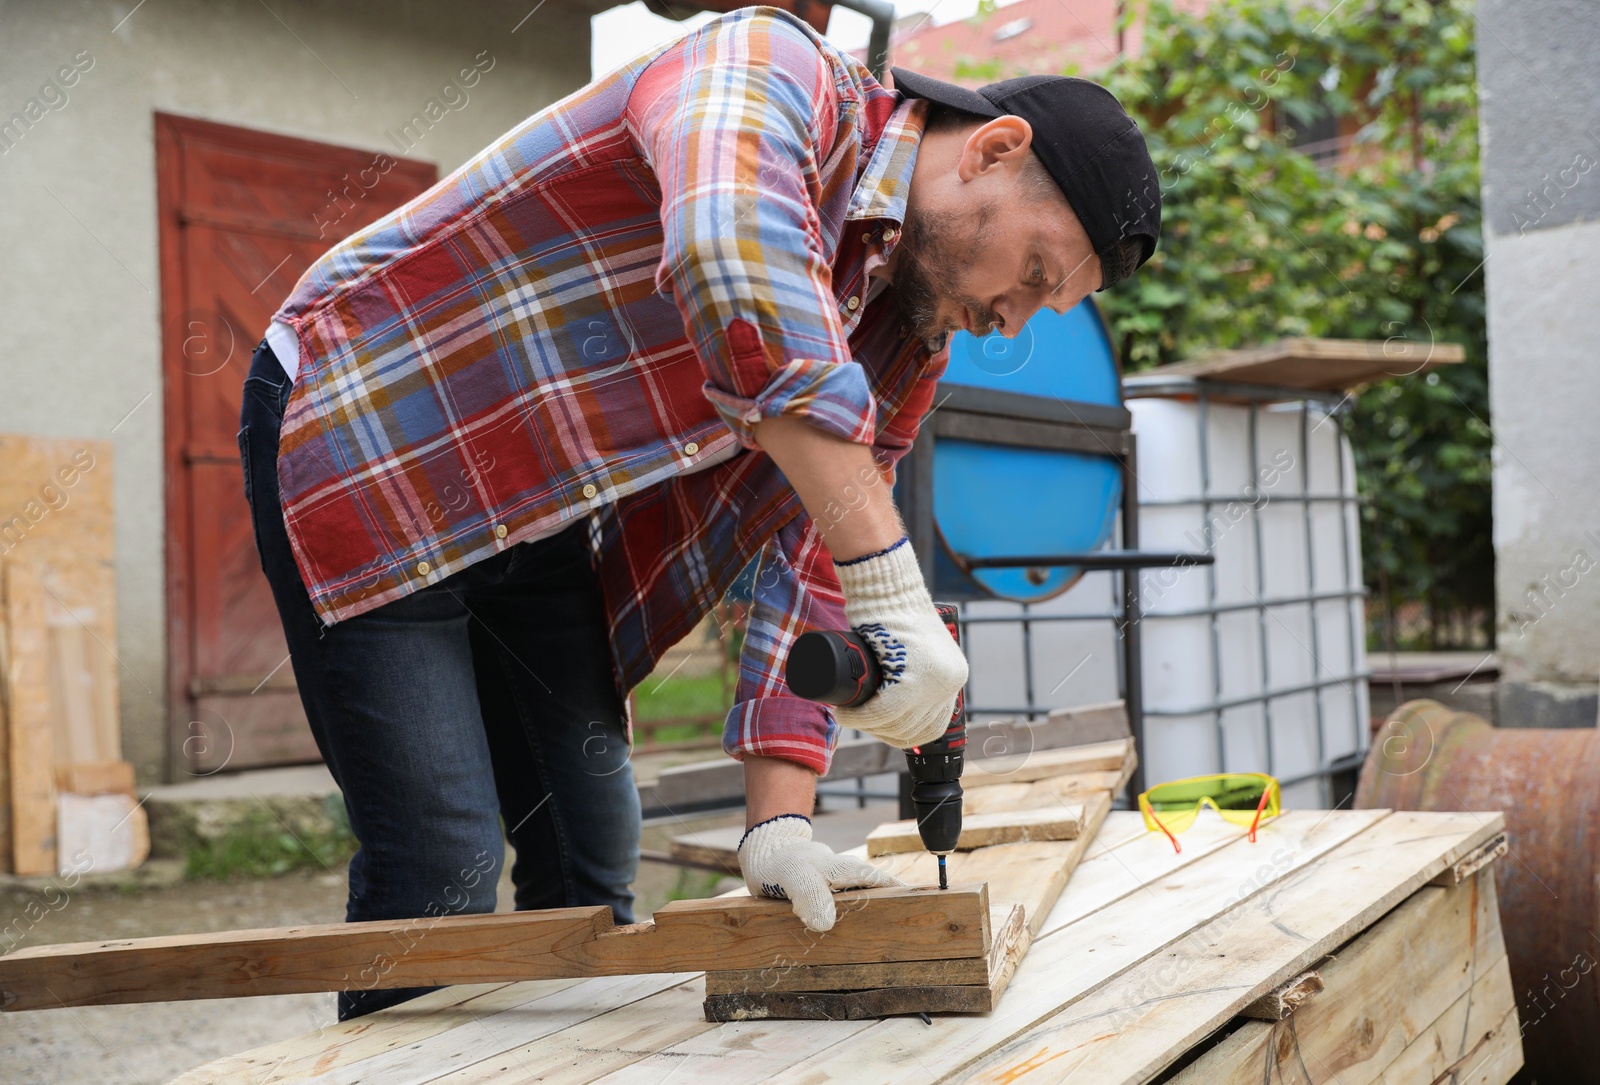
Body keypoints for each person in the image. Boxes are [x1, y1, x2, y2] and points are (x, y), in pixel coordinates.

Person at [239, 4, 1160, 1020]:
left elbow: (812, 550)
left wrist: (778, 824)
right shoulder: (773, 68)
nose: (1010, 321)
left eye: (1044, 305)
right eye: (1031, 274)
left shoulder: (907, 340)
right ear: (993, 149)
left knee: (588, 846)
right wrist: (891, 579)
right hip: (378, 425)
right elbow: (735, 256)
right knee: (443, 863)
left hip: (538, 506)